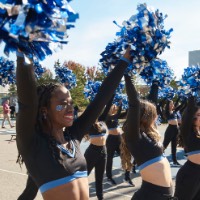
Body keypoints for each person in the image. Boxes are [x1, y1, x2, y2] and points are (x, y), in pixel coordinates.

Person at [16, 48, 131, 200]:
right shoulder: (33, 143)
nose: (70, 108)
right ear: (44, 110)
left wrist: (124, 61)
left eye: (71, 103)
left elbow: (101, 98)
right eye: (63, 104)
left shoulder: (73, 136)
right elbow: (27, 104)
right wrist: (24, 54)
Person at [123, 75, 173, 199]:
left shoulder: (148, 135)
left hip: (164, 195)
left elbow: (152, 101)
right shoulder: (135, 136)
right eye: (154, 114)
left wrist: (156, 78)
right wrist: (126, 74)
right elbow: (134, 103)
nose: (157, 116)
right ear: (148, 116)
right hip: (149, 196)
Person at [101, 96, 134, 186]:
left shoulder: (116, 116)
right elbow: (117, 113)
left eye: (115, 105)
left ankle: (127, 177)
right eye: (113, 105)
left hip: (119, 139)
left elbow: (126, 113)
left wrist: (128, 104)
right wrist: (120, 104)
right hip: (111, 140)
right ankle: (109, 177)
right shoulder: (106, 116)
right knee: (109, 159)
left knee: (126, 157)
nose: (114, 106)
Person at [175, 96, 200, 200]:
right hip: (190, 174)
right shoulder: (188, 131)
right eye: (198, 115)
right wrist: (193, 90)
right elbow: (189, 109)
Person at [84, 120, 108, 200]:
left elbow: (106, 109)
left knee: (100, 178)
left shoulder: (102, 121)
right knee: (83, 176)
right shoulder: (89, 123)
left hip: (103, 152)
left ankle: (100, 198)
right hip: (91, 152)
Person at [162, 100, 181, 166]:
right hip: (170, 130)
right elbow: (161, 104)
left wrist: (183, 98)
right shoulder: (166, 112)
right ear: (168, 105)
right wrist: (164, 98)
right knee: (164, 145)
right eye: (170, 104)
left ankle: (175, 161)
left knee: (174, 146)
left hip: (176, 130)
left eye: (172, 104)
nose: (172, 105)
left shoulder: (174, 111)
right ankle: (157, 157)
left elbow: (182, 106)